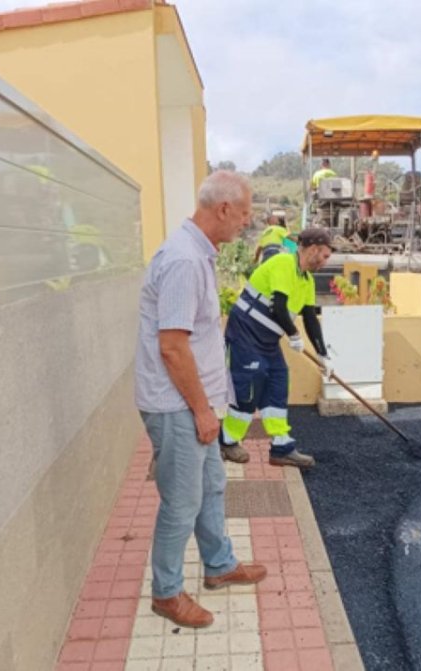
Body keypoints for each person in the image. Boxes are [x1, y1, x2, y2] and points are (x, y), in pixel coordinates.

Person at [135, 170, 267, 628]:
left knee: (210, 487)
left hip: (194, 401)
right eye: (245, 213)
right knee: (182, 500)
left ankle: (219, 565)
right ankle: (166, 593)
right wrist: (201, 410)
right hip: (178, 406)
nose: (247, 223)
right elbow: (172, 346)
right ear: (223, 208)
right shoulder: (185, 260)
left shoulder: (198, 255)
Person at [220, 227, 334, 468]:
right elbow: (279, 307)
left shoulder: (307, 281)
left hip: (268, 341)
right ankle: (227, 441)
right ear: (312, 250)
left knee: (278, 381)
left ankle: (282, 447)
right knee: (250, 384)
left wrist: (323, 354)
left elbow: (311, 319)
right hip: (245, 335)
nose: (326, 262)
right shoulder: (284, 263)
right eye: (324, 256)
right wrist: (293, 335)